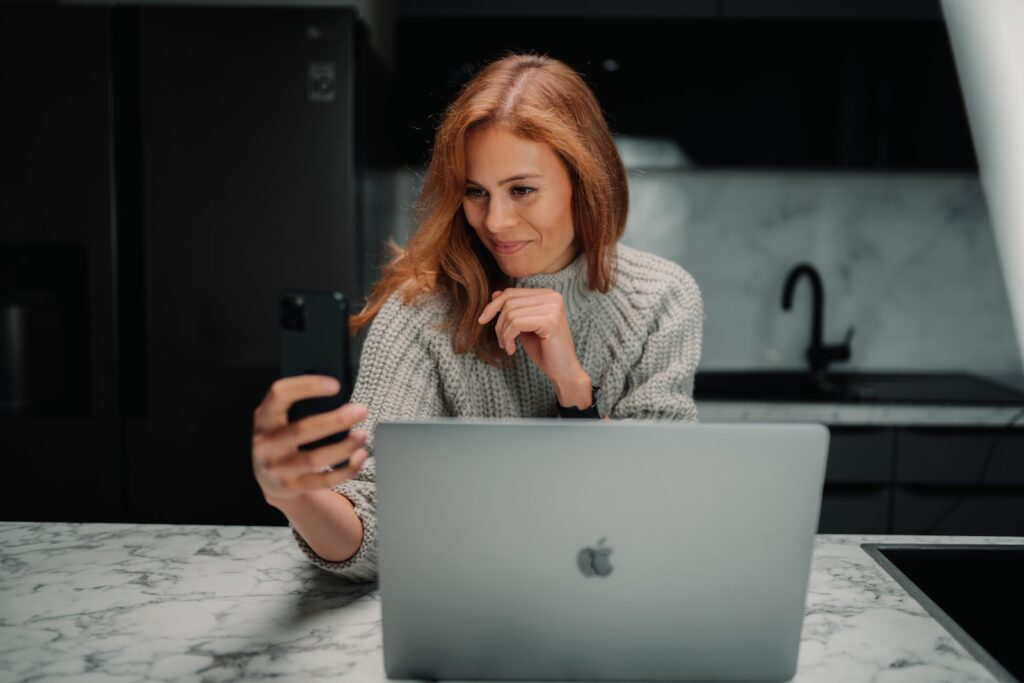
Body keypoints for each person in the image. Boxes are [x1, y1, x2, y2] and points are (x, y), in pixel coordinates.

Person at [251, 53, 704, 582]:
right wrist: (295, 497)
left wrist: (574, 389)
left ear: (585, 182)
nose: (495, 221)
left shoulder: (664, 298)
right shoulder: (419, 311)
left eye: (522, 190)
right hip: (461, 600)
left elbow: (657, 510)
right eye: (475, 192)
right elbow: (372, 534)